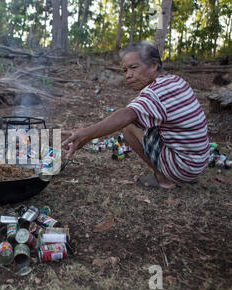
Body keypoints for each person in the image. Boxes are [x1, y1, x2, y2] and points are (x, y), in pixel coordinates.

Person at [62, 41, 209, 189]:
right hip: (199, 161)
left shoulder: (155, 92)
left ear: (153, 65)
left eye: (133, 68)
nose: (128, 76)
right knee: (139, 122)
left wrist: (85, 134)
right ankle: (179, 172)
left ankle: (163, 179)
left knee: (128, 126)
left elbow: (127, 115)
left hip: (184, 167)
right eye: (125, 70)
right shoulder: (175, 81)